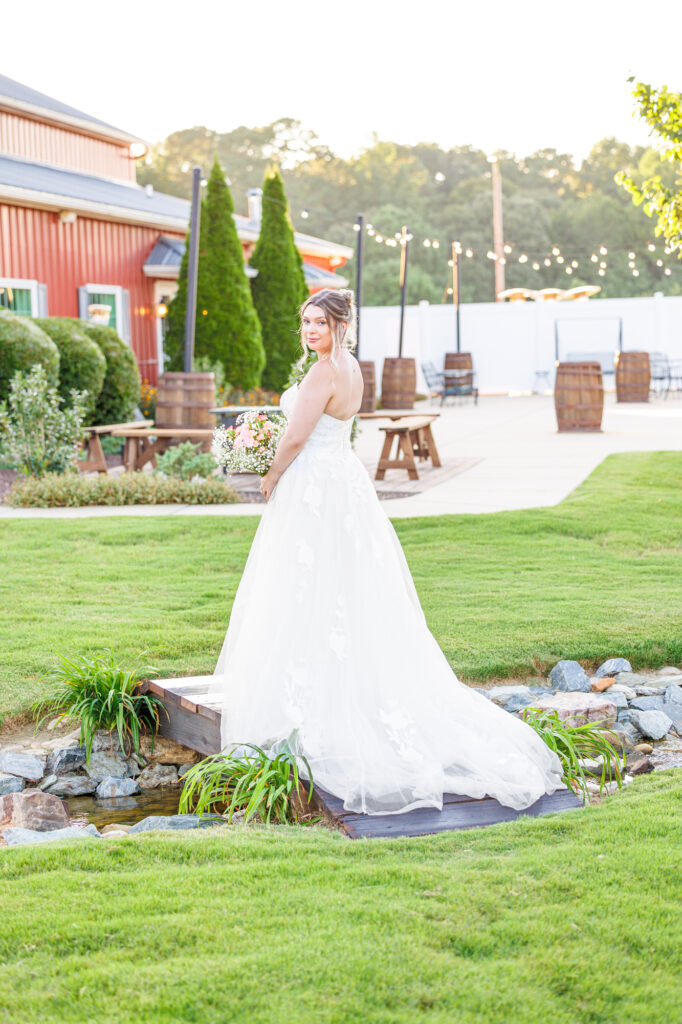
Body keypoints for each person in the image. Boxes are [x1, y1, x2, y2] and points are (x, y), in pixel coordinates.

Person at [208, 288, 564, 816]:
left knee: (302, 584)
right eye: (305, 323)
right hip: (342, 484)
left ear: (340, 327)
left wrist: (270, 472)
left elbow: (297, 436)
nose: (310, 332)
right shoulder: (351, 369)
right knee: (343, 585)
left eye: (319, 324)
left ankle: (306, 702)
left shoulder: (324, 373)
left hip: (314, 488)